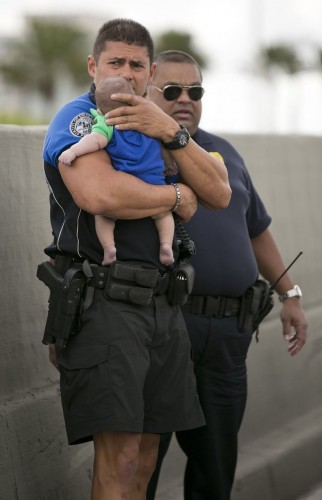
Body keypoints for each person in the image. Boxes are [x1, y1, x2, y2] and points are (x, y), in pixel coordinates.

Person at [41, 19, 231, 500]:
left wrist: (170, 130)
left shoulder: (158, 125)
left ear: (149, 72)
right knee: (120, 459)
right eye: (115, 62)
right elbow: (102, 194)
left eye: (136, 64)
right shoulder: (79, 116)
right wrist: (173, 194)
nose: (126, 74)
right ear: (93, 66)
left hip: (164, 307)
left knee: (147, 457)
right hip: (104, 303)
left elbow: (216, 194)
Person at [145, 50, 308, 500]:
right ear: (147, 92)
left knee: (216, 468)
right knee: (141, 467)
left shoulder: (225, 154)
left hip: (226, 338)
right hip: (165, 330)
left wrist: (290, 295)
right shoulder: (132, 152)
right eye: (172, 90)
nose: (185, 100)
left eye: (194, 91)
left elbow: (256, 231)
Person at [59, 75, 176, 266]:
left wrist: (72, 151)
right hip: (154, 178)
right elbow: (164, 146)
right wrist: (169, 164)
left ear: (99, 109)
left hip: (127, 181)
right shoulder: (147, 122)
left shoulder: (107, 124)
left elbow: (94, 141)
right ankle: (166, 245)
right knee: (163, 213)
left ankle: (109, 248)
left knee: (104, 216)